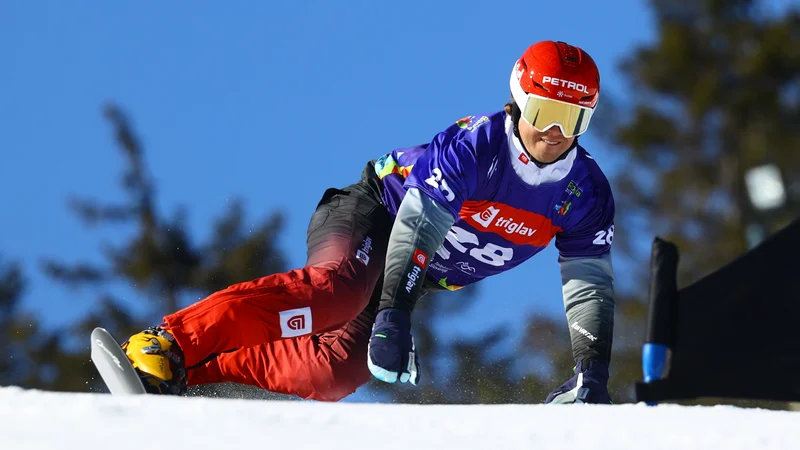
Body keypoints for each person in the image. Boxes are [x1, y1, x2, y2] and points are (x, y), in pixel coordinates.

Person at [122, 40, 616, 404]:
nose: (554, 132)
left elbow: (588, 285)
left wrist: (591, 372)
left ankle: (185, 371)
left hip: (408, 276)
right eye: (545, 111)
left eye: (572, 119)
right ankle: (167, 341)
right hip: (376, 214)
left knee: (335, 373)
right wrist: (395, 314)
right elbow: (418, 225)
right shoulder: (476, 147)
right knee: (334, 294)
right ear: (518, 99)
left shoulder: (586, 192)